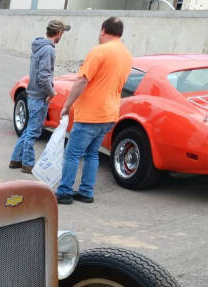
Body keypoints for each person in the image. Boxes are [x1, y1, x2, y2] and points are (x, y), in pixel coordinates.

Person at [56, 17, 132, 204]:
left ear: (103, 30)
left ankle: (64, 192)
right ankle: (86, 192)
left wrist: (67, 105)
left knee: (72, 154)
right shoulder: (127, 55)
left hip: (91, 114)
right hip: (109, 114)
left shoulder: (99, 51)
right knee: (91, 154)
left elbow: (82, 80)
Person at [9, 19, 70, 174]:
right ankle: (28, 164)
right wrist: (52, 92)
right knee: (33, 132)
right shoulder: (49, 50)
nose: (62, 36)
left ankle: (16, 159)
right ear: (59, 33)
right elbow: (44, 76)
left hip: (33, 95)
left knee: (29, 129)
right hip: (39, 97)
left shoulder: (39, 46)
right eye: (63, 33)